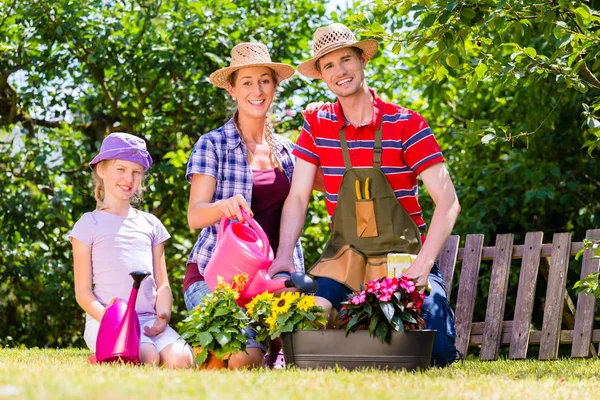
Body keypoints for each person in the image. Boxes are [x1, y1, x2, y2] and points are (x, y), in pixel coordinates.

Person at [269, 23, 461, 367]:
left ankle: (375, 335)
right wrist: (284, 255)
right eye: (328, 65)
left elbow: (448, 202)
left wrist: (423, 266)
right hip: (345, 261)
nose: (339, 71)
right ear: (322, 76)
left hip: (404, 260)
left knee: (438, 352)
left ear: (362, 61)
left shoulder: (407, 124)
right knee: (308, 323)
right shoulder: (316, 125)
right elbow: (297, 197)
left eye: (346, 60)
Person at [183, 42, 304, 369]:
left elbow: (332, 180)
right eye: (247, 82)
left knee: (303, 354)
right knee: (242, 359)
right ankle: (212, 348)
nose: (257, 89)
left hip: (274, 280)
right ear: (232, 89)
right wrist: (224, 206)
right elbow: (195, 215)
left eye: (265, 80)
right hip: (216, 279)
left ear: (275, 87)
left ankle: (266, 348)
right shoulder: (213, 144)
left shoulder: (290, 152)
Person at [69, 132, 193, 368]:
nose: (129, 178)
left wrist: (163, 316)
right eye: (121, 169)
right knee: (147, 356)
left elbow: (163, 284)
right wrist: (113, 321)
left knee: (182, 359)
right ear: (102, 171)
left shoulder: (151, 224)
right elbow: (83, 293)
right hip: (106, 321)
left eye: (136, 172)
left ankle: (110, 358)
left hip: (148, 320)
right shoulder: (88, 225)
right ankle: (103, 358)